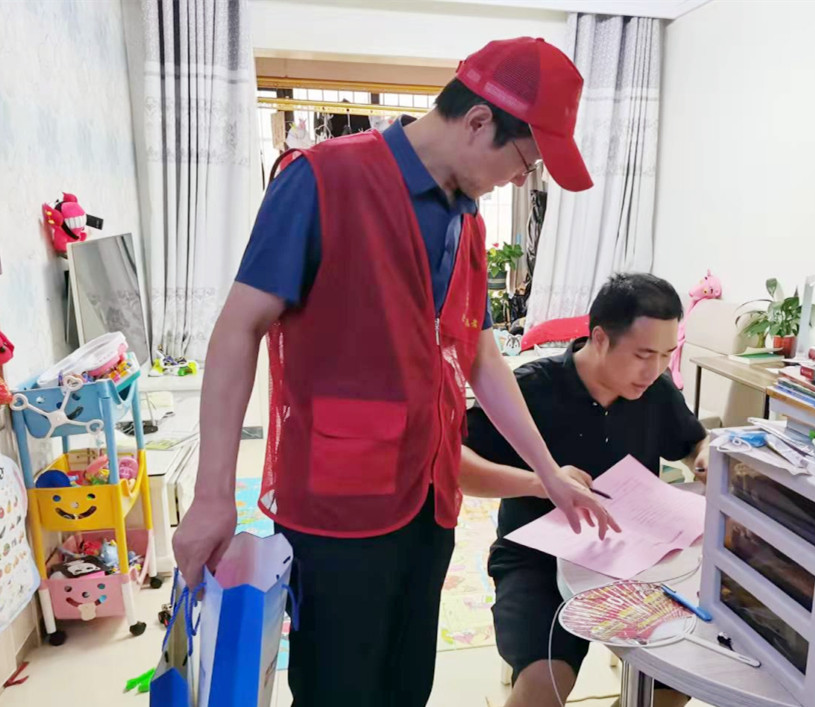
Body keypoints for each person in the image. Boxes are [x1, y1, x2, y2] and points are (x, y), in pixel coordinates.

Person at [172, 37, 619, 707]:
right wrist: (212, 494)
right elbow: (238, 328)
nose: (518, 179)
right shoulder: (321, 180)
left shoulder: (468, 222)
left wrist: (548, 471)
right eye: (523, 160)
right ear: (478, 122)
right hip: (338, 503)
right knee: (338, 685)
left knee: (406, 681)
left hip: (429, 500)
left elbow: (480, 356)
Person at [462, 273, 709, 707]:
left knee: (677, 681)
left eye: (666, 355)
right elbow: (454, 465)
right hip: (537, 561)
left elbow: (693, 444)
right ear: (599, 338)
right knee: (543, 686)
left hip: (636, 562)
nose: (654, 370)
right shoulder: (531, 388)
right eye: (643, 355)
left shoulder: (655, 391)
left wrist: (704, 456)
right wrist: (540, 482)